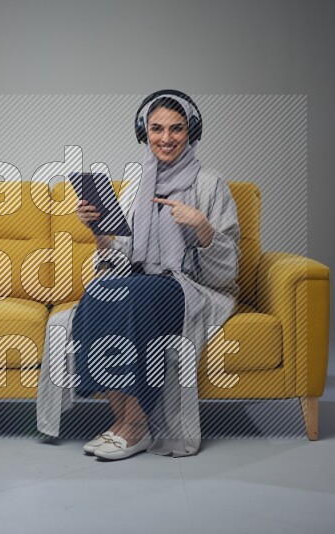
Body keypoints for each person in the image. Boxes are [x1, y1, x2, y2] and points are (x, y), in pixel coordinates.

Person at [36, 90, 241, 460]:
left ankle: (136, 425)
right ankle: (121, 421)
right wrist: (99, 234)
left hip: (186, 285)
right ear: (143, 131)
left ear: (190, 131)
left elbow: (228, 272)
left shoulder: (210, 183)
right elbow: (121, 259)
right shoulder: (136, 187)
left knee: (140, 294)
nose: (166, 138)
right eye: (157, 128)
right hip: (141, 282)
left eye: (176, 129)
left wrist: (203, 227)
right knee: (101, 293)